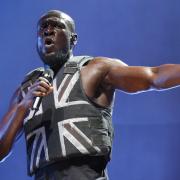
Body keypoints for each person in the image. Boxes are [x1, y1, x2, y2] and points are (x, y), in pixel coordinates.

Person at [1, 9, 180, 180]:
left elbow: (153, 76)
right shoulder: (25, 91)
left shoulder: (94, 70)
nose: (48, 30)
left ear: (73, 39)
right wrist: (22, 107)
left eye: (57, 25)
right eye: (43, 27)